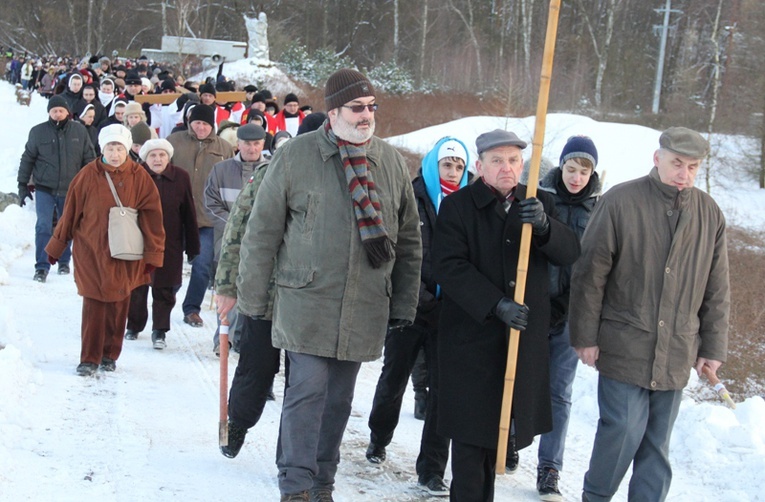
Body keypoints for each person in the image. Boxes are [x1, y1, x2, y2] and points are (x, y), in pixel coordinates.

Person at [236, 68, 422, 502]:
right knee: (306, 392)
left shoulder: (391, 163)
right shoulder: (296, 156)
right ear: (334, 111)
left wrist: (403, 304)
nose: (366, 115)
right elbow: (261, 232)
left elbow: (410, 241)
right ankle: (297, 486)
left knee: (338, 401)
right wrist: (251, 300)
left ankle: (322, 483)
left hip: (363, 304)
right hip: (305, 300)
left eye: (371, 107)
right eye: (357, 108)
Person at [569, 127, 730, 502]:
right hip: (624, 342)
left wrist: (713, 345)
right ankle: (596, 497)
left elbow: (717, 288)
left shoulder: (709, 214)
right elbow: (589, 274)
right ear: (657, 158)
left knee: (657, 445)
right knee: (621, 430)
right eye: (677, 163)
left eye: (692, 167)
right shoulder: (620, 201)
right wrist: (585, 337)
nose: (683, 174)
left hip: (677, 348)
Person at [430, 129, 580, 501]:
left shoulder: (539, 203)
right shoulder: (459, 206)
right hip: (471, 344)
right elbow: (448, 267)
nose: (507, 168)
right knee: (469, 445)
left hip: (518, 345)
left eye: (514, 160)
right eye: (497, 161)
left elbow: (570, 253)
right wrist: (496, 304)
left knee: (499, 440)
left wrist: (545, 227)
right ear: (480, 166)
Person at [366, 137, 470, 497]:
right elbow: (400, 250)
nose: (453, 172)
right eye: (447, 165)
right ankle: (379, 436)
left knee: (443, 393)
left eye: (458, 166)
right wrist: (419, 296)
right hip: (410, 307)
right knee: (394, 377)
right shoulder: (410, 196)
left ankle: (432, 470)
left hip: (449, 315)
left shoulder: (469, 204)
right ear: (432, 165)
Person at [44, 124, 165, 376]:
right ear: (103, 148)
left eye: (119, 147)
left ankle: (110, 354)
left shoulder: (139, 176)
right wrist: (57, 246)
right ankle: (89, 358)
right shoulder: (87, 175)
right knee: (94, 302)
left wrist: (153, 253)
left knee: (119, 303)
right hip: (91, 250)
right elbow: (70, 214)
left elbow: (152, 217)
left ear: (127, 148)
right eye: (110, 147)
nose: (115, 153)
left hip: (125, 252)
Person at [534, 136, 600, 502]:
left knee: (559, 391)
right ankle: (510, 438)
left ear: (593, 172)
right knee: (520, 378)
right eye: (571, 168)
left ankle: (550, 467)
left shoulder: (599, 210)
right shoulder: (543, 198)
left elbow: (596, 267)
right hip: (535, 305)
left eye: (584, 170)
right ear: (561, 167)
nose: (576, 177)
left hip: (573, 313)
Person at [125, 139, 200, 348]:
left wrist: (193, 246)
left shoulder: (180, 177)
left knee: (165, 289)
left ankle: (159, 330)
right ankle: (134, 325)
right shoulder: (135, 175)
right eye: (152, 155)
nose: (157, 159)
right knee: (137, 286)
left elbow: (189, 213)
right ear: (145, 158)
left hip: (170, 242)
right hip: (139, 241)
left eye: (162, 155)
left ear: (169, 157)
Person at [167, 104, 235, 328]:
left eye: (205, 123)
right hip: (177, 216)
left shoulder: (224, 148)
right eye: (197, 123)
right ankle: (165, 301)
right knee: (170, 266)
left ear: (212, 125)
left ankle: (192, 308)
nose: (201, 127)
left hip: (207, 218)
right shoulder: (174, 142)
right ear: (190, 122)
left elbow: (230, 180)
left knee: (203, 265)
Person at [204, 123, 269, 354]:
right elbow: (210, 204)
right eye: (247, 144)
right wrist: (234, 227)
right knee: (228, 289)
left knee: (254, 291)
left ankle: (244, 339)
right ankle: (222, 339)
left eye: (256, 144)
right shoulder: (221, 170)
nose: (252, 148)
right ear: (238, 144)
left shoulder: (273, 170)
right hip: (228, 243)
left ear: (263, 144)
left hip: (261, 244)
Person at [17, 95, 96, 283]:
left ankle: (63, 260)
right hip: (45, 187)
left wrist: (92, 185)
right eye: (54, 111)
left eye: (61, 110)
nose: (58, 114)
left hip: (71, 188)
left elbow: (89, 159)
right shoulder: (38, 132)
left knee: (65, 225)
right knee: (43, 225)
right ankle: (42, 266)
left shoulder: (79, 131)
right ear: (49, 113)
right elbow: (28, 159)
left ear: (67, 112)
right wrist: (22, 186)